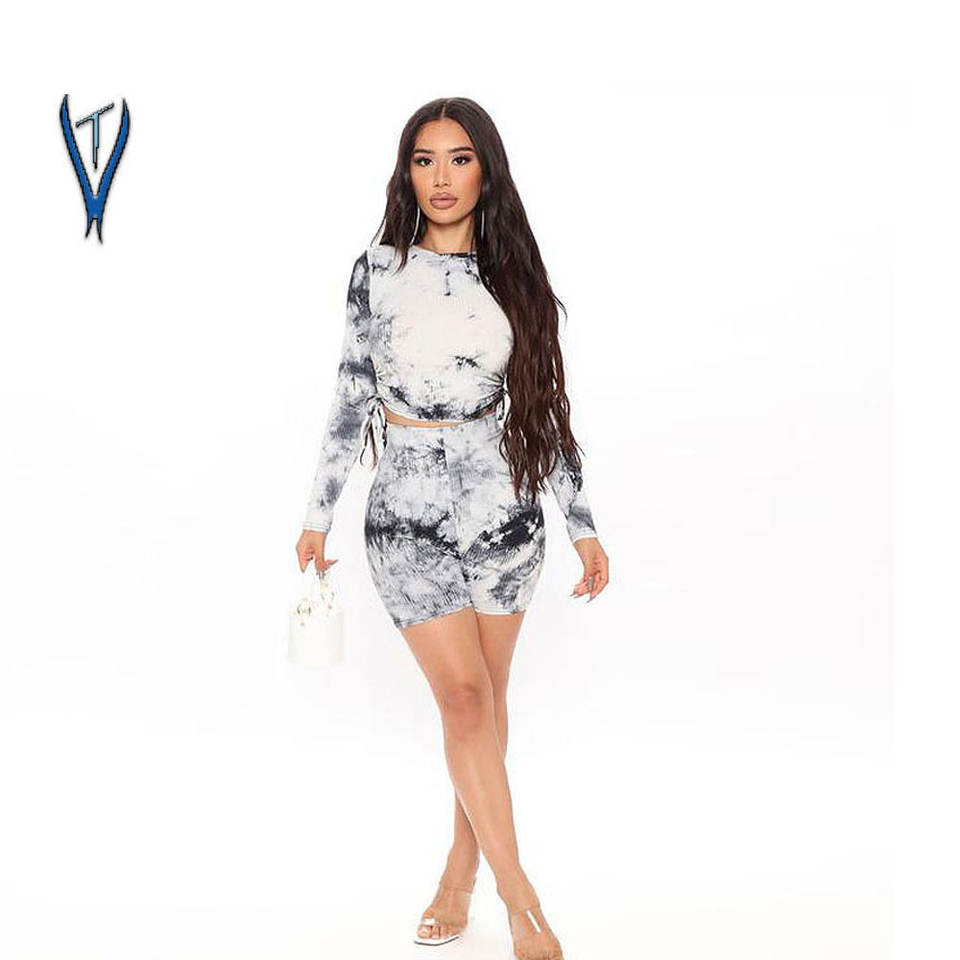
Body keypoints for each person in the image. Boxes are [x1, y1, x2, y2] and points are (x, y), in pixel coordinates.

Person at [295, 97, 609, 960]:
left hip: (504, 511)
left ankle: (459, 871)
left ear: (486, 171)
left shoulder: (514, 275)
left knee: (488, 704)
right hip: (405, 516)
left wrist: (582, 525)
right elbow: (350, 393)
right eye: (424, 159)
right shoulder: (376, 270)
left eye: (459, 158)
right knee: (464, 698)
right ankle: (522, 900)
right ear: (406, 173)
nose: (440, 177)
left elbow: (544, 407)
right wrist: (317, 513)